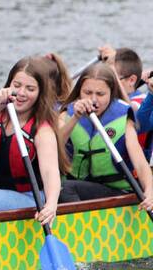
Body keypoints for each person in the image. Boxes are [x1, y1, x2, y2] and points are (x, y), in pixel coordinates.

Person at [0, 55, 68, 220]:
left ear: (40, 93)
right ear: (9, 85)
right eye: (17, 85)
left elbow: (50, 172)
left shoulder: (42, 129)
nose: (21, 93)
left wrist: (51, 205)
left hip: (28, 196)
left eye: (30, 89)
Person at [59, 63, 153, 207]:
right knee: (61, 187)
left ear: (111, 93)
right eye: (87, 93)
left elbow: (140, 163)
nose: (93, 100)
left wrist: (150, 192)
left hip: (118, 191)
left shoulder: (123, 117)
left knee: (65, 188)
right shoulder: (67, 114)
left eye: (100, 94)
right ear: (79, 92)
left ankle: (83, 220)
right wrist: (75, 118)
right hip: (81, 186)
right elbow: (54, 147)